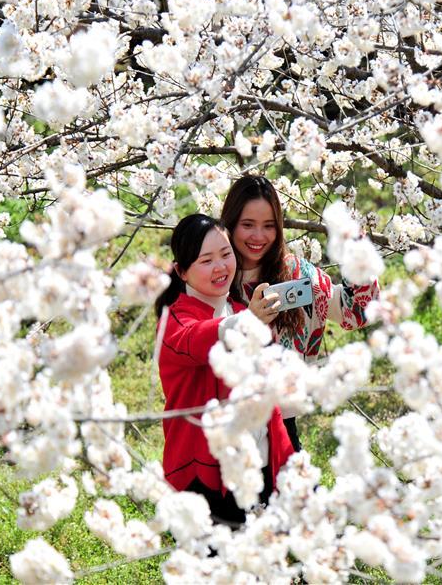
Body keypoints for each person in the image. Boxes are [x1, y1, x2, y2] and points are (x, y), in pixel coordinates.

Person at [220, 175, 381, 451]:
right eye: (248, 225)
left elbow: (354, 311)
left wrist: (356, 252)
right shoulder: (213, 273)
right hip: (223, 426)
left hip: (281, 426)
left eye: (269, 226)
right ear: (231, 223)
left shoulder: (296, 274)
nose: (258, 236)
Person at [154, 213, 295, 527]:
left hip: (256, 463)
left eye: (226, 254)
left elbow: (267, 403)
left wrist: (287, 460)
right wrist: (248, 324)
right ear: (182, 271)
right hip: (203, 477)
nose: (220, 268)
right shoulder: (175, 320)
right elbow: (196, 339)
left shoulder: (243, 311)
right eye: (206, 260)